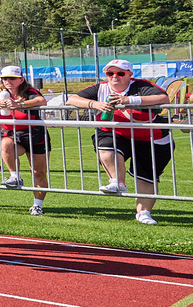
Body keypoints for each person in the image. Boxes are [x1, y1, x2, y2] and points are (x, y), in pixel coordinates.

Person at [67, 59, 173, 225]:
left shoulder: (141, 86)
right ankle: (117, 182)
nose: (114, 77)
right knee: (106, 145)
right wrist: (94, 104)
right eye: (110, 73)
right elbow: (71, 99)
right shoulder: (100, 88)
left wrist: (128, 101)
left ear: (130, 75)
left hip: (151, 137)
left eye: (120, 73)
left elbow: (163, 98)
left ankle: (144, 213)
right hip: (117, 133)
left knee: (147, 178)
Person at [0, 66, 50, 216]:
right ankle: (15, 176)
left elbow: (41, 101)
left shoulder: (29, 91)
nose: (7, 81)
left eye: (11, 78)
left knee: (38, 172)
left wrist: (19, 104)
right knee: (5, 143)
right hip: (11, 133)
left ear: (21, 80)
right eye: (4, 78)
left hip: (34, 134)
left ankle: (37, 205)